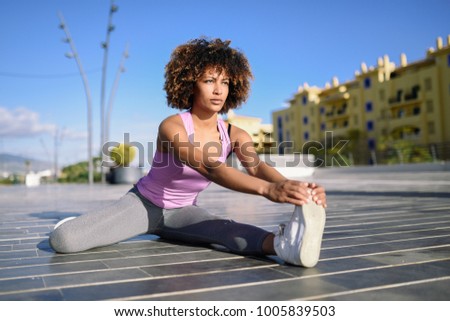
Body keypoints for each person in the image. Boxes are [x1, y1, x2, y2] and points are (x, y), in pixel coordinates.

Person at [50, 38, 327, 268]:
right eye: (209, 80)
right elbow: (209, 167)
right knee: (64, 241)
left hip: (183, 213)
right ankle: (81, 223)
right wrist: (269, 191)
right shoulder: (172, 127)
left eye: (226, 82)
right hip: (144, 205)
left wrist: (295, 190)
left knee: (223, 230)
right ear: (190, 83)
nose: (219, 90)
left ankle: (284, 244)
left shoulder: (234, 134)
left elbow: (256, 167)